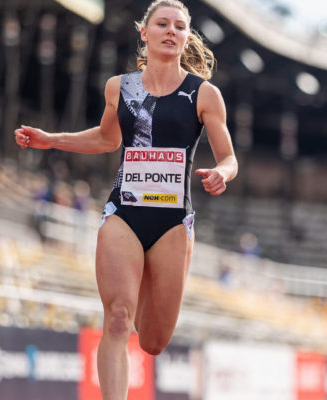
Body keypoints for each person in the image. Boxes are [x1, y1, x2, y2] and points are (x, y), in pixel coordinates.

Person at [14, 0, 238, 398]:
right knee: (118, 318)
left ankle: (148, 276)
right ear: (145, 32)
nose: (171, 31)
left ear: (187, 37)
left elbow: (229, 158)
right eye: (163, 24)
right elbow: (107, 139)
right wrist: (53, 139)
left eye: (179, 26)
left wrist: (222, 172)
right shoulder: (120, 87)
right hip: (124, 212)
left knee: (153, 340)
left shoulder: (204, 94)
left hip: (172, 222)